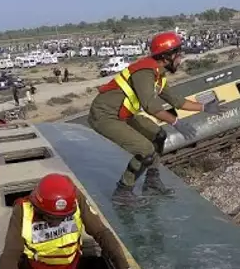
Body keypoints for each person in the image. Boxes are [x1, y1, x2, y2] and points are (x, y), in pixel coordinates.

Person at [89, 31, 225, 207]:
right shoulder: (145, 72)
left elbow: (176, 101)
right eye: (179, 54)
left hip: (122, 114)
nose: (181, 58)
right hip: (105, 116)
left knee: (158, 135)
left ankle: (152, 182)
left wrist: (205, 108)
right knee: (145, 150)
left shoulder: (158, 75)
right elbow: (150, 106)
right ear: (167, 56)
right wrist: (176, 122)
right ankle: (123, 192)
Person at [0, 174, 130, 269]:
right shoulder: (22, 211)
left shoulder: (76, 199)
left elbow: (101, 232)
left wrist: (123, 265)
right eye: (49, 217)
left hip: (72, 264)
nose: (57, 223)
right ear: (37, 207)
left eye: (63, 218)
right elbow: (10, 254)